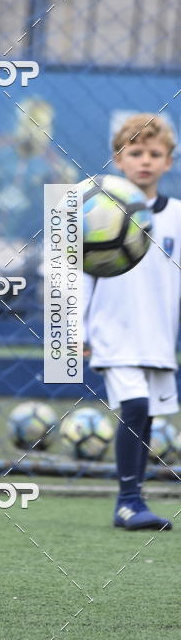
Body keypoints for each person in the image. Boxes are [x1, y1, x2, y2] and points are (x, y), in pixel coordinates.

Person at [84, 113, 181, 530]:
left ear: (169, 161)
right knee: (135, 406)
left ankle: (133, 499)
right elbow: (75, 276)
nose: (145, 161)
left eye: (154, 154)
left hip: (158, 336)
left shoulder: (177, 214)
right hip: (113, 331)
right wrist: (76, 332)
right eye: (135, 152)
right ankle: (127, 501)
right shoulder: (92, 211)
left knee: (148, 417)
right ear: (117, 160)